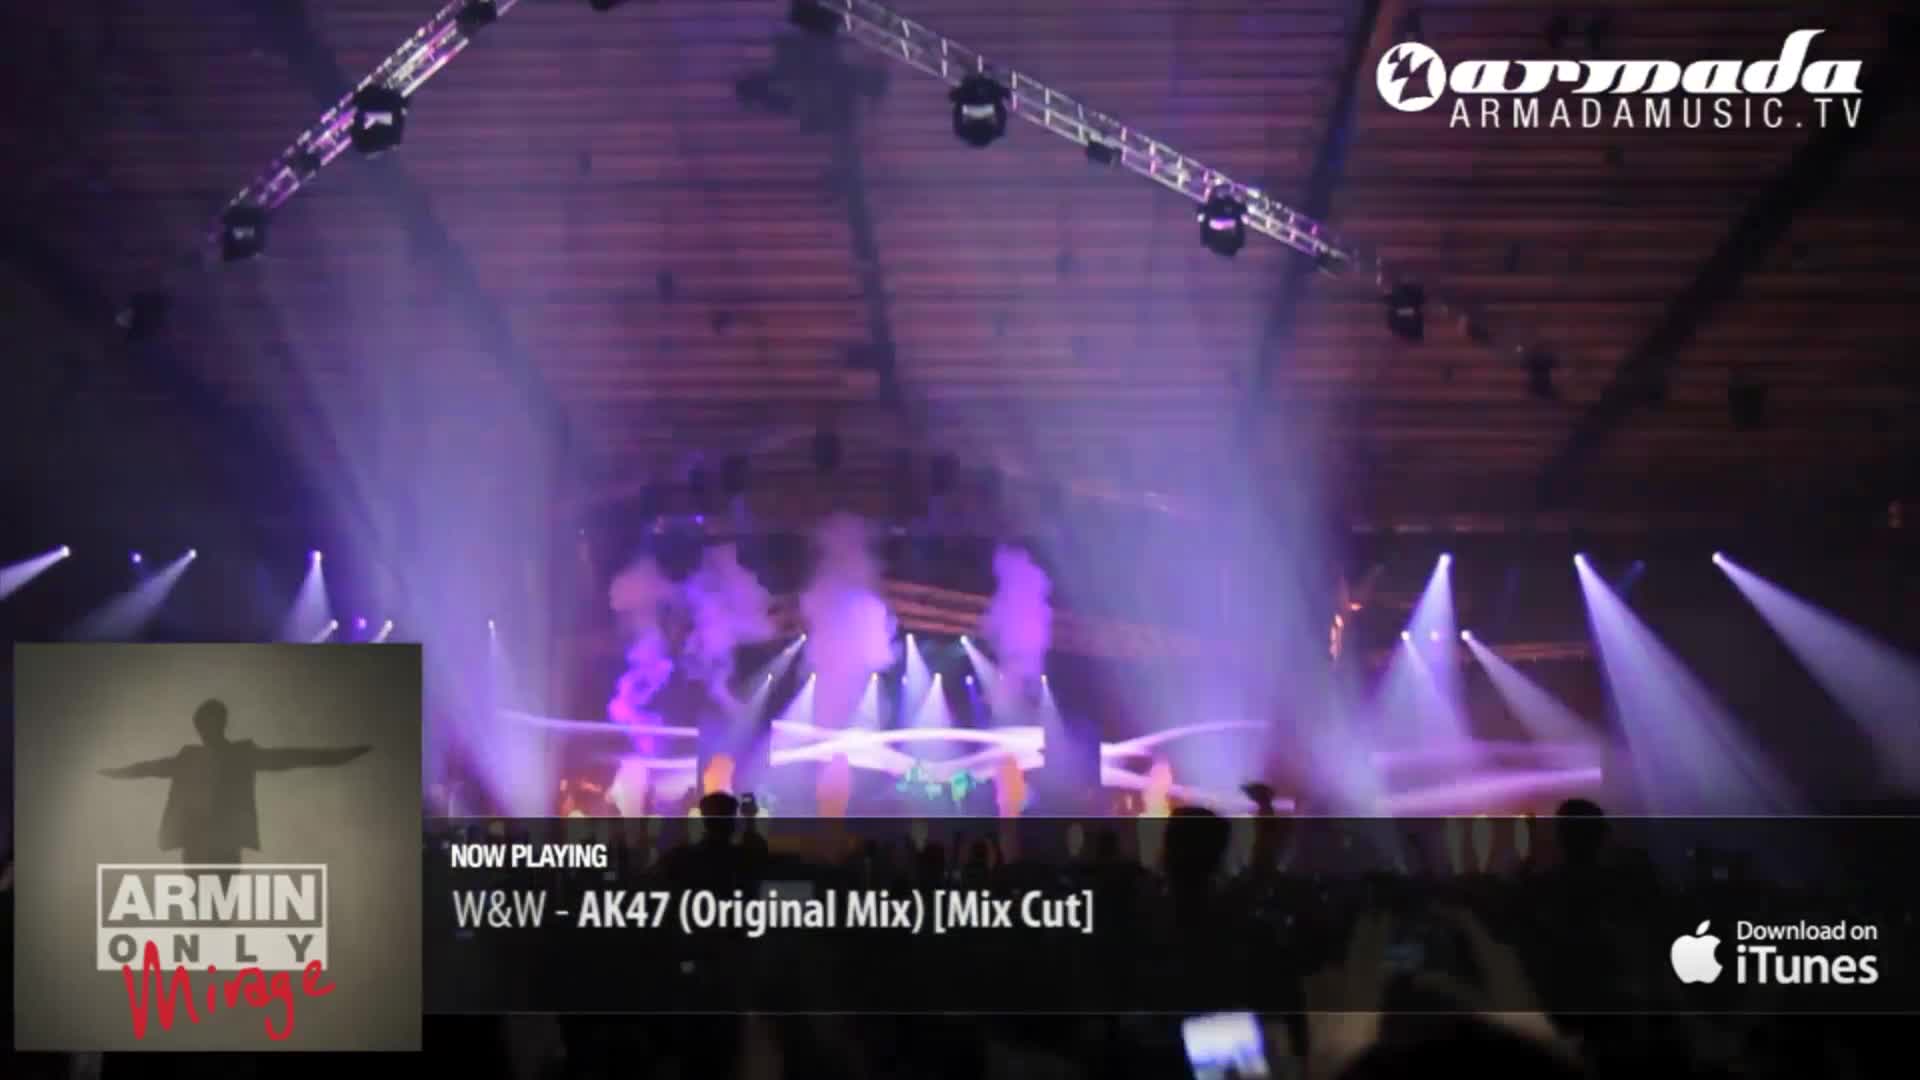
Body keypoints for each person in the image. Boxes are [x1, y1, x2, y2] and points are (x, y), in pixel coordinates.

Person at [99, 698, 370, 865]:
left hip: (221, 844)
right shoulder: (191, 757)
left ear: (220, 723)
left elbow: (291, 757)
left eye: (208, 723)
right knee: (204, 909)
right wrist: (118, 772)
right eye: (202, 724)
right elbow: (149, 768)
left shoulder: (239, 755)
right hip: (198, 843)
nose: (204, 729)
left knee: (217, 909)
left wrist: (337, 756)